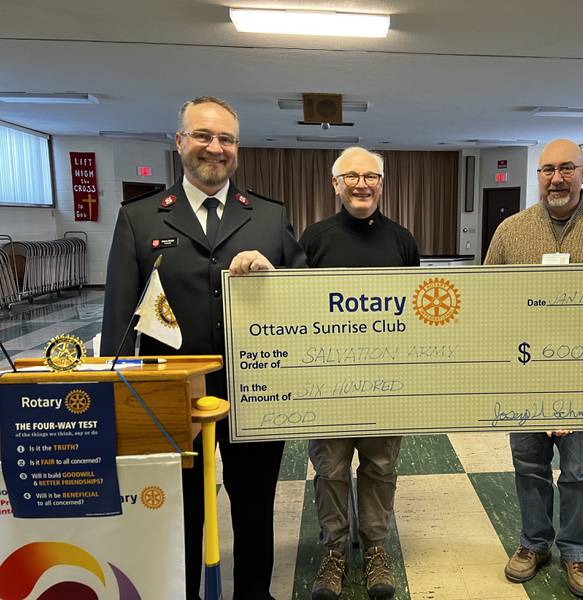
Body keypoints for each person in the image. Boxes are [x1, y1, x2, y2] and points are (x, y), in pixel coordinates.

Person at [101, 96, 306, 600]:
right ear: (180, 143)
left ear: (238, 147)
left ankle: (254, 594)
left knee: (255, 505)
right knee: (182, 506)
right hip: (170, 393)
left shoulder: (268, 215)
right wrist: (114, 394)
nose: (215, 148)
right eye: (203, 136)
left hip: (256, 387)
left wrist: (276, 276)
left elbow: (304, 294)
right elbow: (119, 321)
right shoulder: (141, 218)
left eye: (226, 139)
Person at [484, 138, 583, 598]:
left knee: (578, 471)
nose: (557, 178)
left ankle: (577, 550)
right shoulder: (511, 231)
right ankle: (534, 543)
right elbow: (486, 300)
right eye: (547, 169)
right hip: (524, 375)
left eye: (567, 168)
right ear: (538, 176)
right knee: (528, 464)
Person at [303, 146, 419, 600]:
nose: (361, 184)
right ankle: (333, 551)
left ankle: (374, 548)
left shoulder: (401, 240)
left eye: (371, 176)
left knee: (380, 467)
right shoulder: (313, 239)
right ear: (336, 185)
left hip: (386, 382)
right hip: (326, 382)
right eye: (351, 176)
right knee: (330, 470)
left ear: (382, 184)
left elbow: (413, 313)